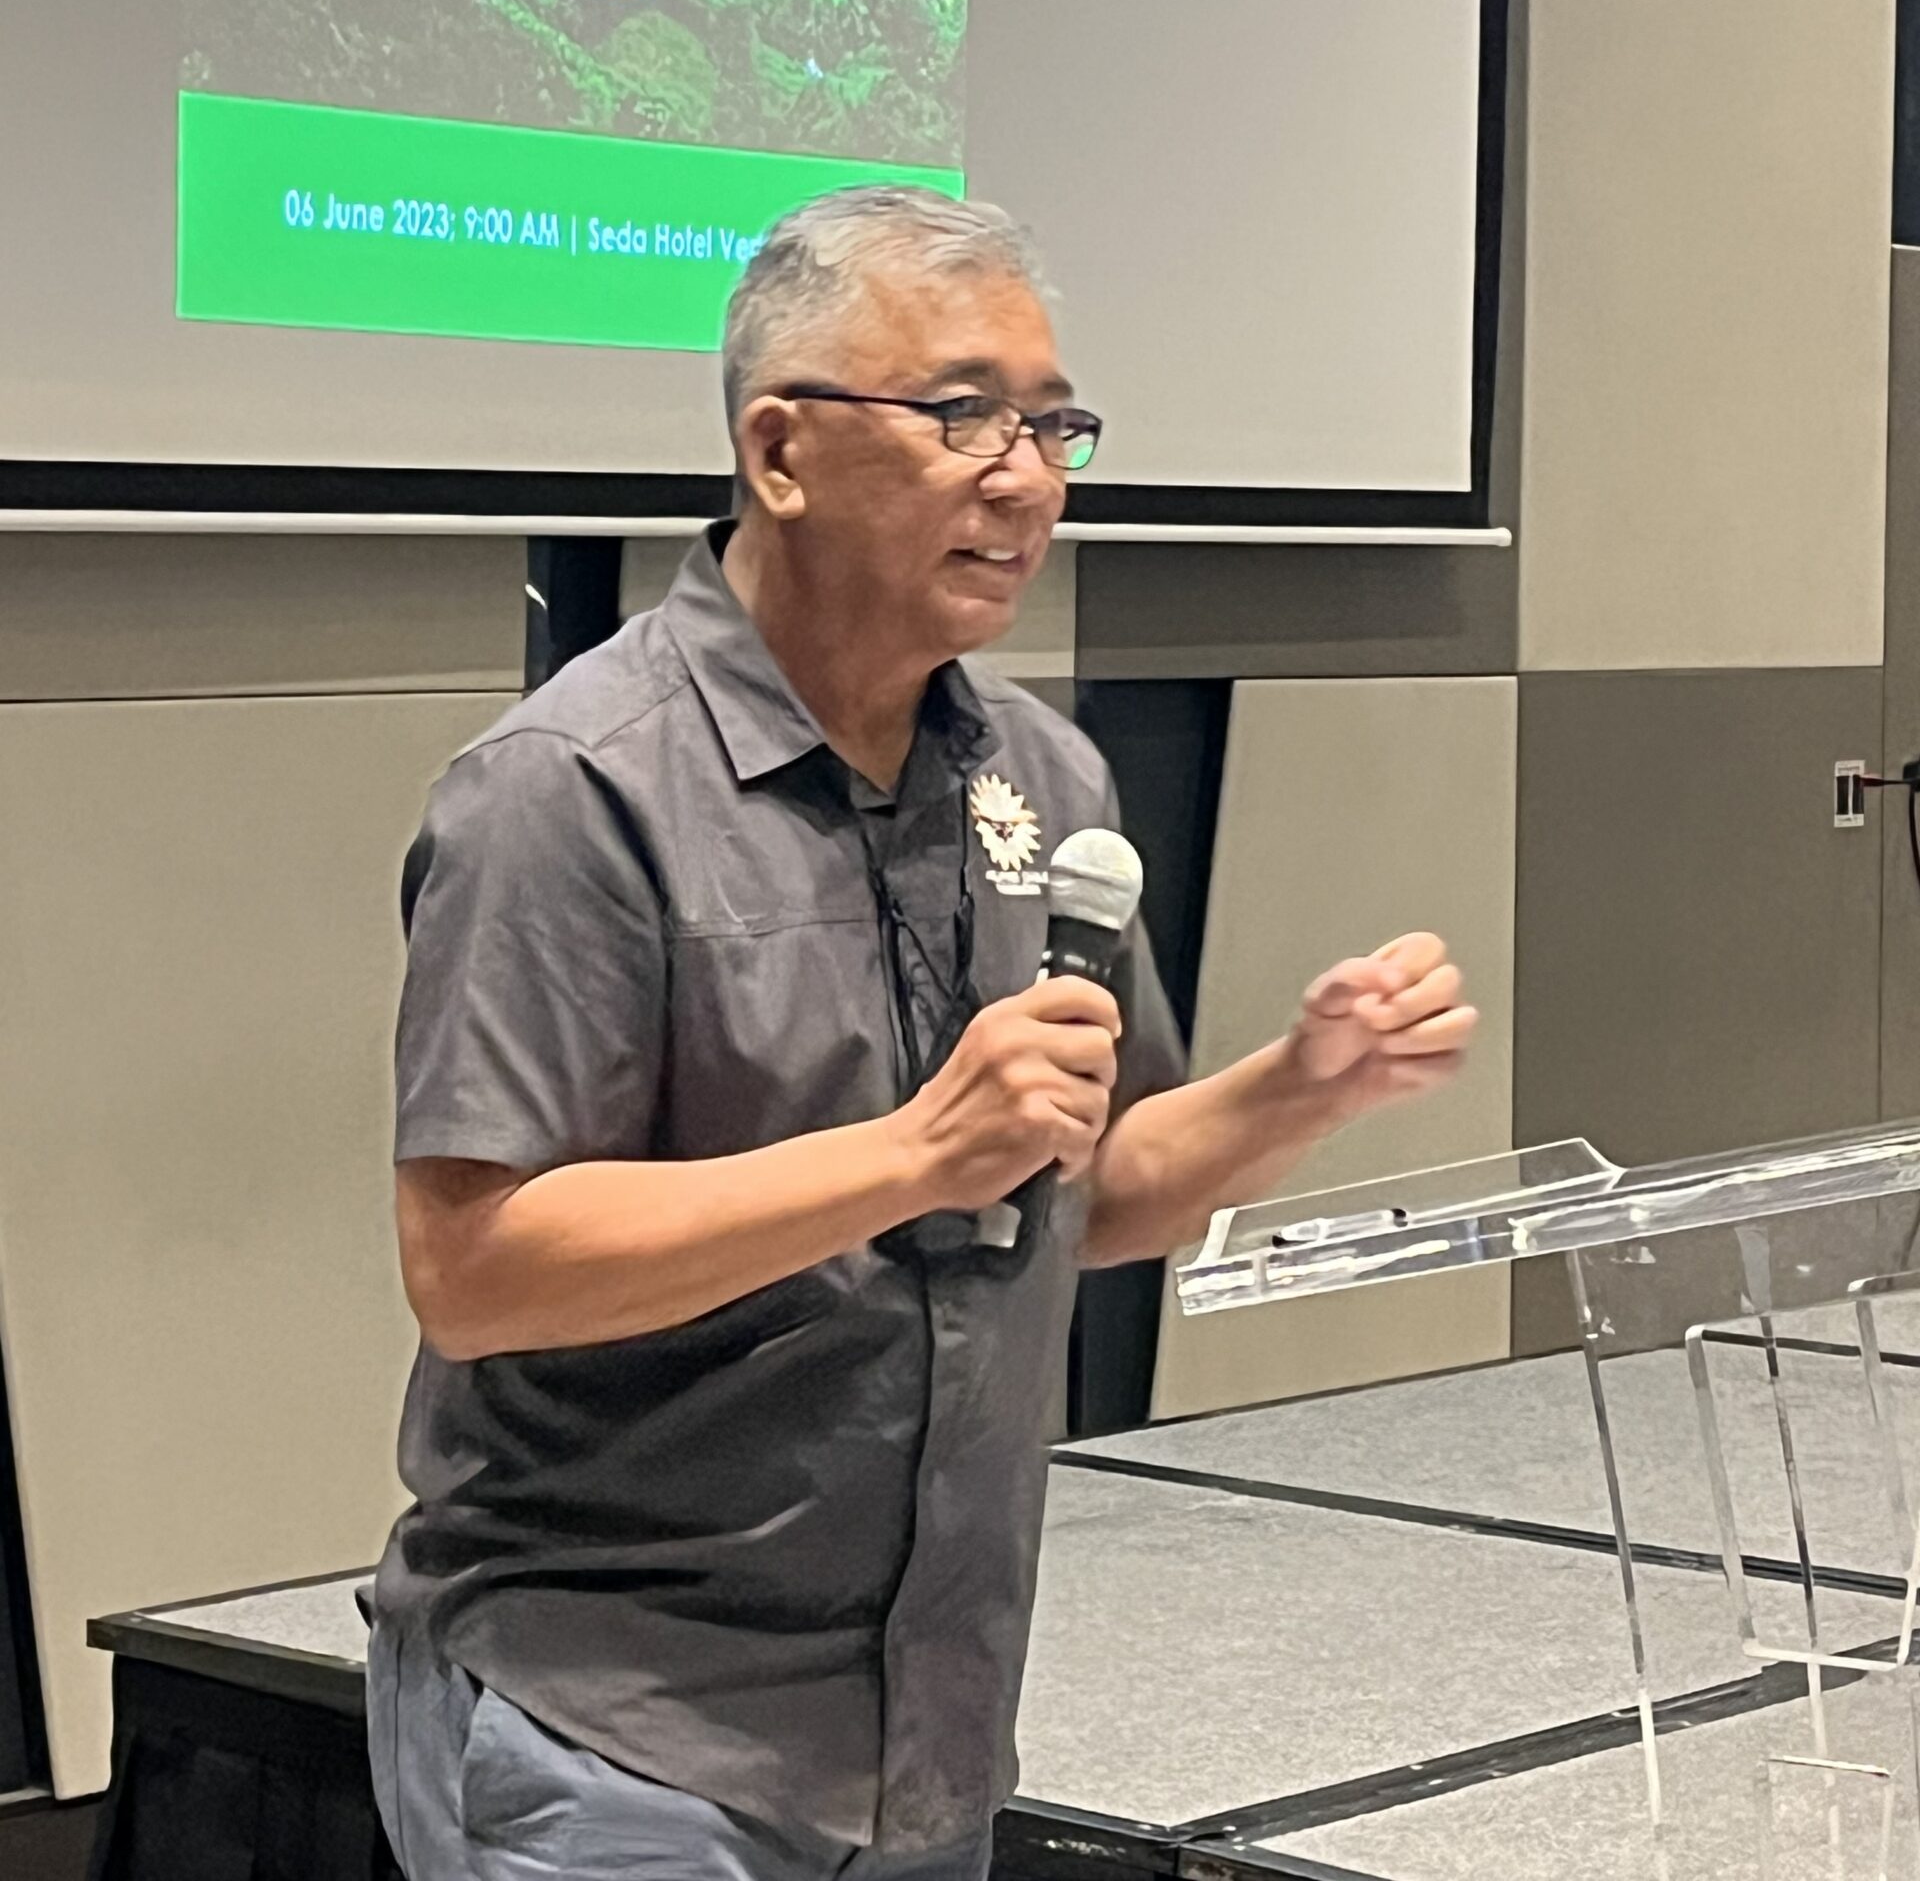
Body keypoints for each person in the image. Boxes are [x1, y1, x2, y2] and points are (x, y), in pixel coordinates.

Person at [366, 188, 1476, 1881]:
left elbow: (1090, 1191)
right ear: (780, 451)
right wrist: (911, 1156)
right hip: (618, 1730)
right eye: (963, 415)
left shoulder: (1042, 775)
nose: (1024, 480)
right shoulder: (573, 792)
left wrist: (1299, 1086)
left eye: (1054, 426)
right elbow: (478, 1269)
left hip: (919, 1733)